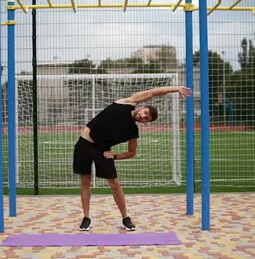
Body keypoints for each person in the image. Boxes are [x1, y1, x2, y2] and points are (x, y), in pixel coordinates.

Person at [73, 86, 192, 231]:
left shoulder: (133, 131)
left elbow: (131, 153)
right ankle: (86, 217)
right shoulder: (127, 102)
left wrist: (115, 156)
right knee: (85, 180)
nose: (143, 116)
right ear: (142, 107)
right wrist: (176, 88)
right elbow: (153, 92)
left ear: (145, 122)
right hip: (84, 144)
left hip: (102, 150)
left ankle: (125, 218)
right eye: (145, 113)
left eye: (147, 118)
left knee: (115, 183)